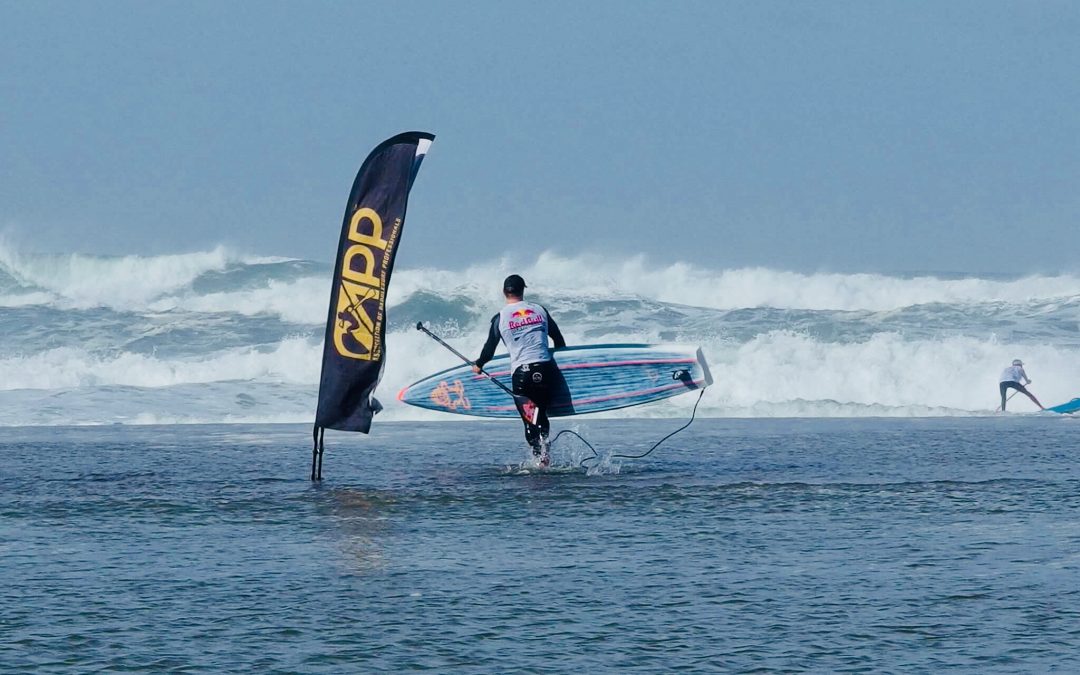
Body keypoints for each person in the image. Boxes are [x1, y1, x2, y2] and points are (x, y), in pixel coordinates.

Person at [473, 274, 566, 465]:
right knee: (541, 413)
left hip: (522, 375)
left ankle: (538, 459)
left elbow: (489, 349)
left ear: (504, 292)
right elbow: (559, 340)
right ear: (523, 290)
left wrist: (479, 364)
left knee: (529, 418)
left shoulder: (500, 318)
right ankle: (545, 455)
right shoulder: (540, 310)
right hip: (546, 369)